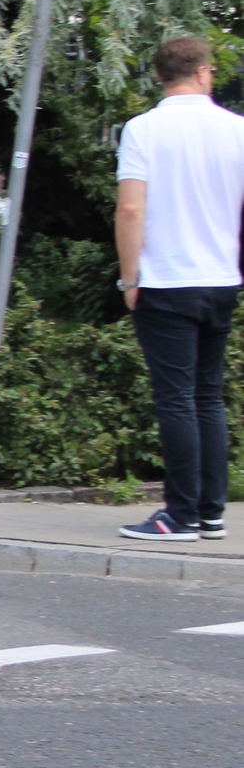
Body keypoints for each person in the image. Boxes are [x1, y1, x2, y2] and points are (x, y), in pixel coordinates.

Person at [114, 35, 244, 541]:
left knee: (175, 400)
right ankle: (211, 512)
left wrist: (130, 277)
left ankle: (179, 514)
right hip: (221, 278)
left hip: (166, 280)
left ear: (160, 76)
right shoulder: (237, 130)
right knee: (208, 397)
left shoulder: (143, 130)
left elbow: (131, 208)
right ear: (205, 72)